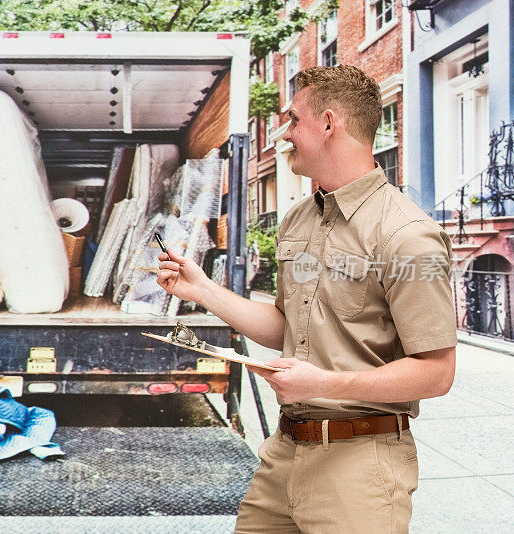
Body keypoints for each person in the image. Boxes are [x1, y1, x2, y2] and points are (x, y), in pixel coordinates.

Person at [157, 65, 456, 533]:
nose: (285, 133)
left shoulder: (407, 234)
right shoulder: (299, 220)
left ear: (330, 123)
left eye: (294, 120)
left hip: (359, 469)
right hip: (283, 456)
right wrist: (203, 290)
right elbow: (286, 326)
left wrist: (323, 384)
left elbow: (437, 373)